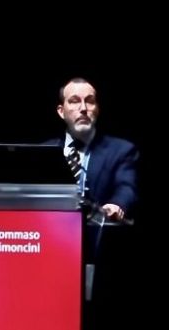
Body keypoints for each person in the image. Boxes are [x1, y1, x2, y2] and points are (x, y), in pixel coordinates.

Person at [47, 77, 139, 222]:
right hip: (50, 228)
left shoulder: (121, 151)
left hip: (97, 231)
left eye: (90, 101)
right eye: (74, 101)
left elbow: (126, 187)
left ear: (97, 109)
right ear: (61, 111)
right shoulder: (45, 150)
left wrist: (116, 205)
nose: (83, 108)